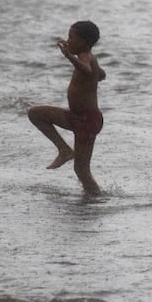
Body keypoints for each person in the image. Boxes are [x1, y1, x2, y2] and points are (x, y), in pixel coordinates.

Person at [28, 21, 106, 195]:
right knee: (36, 113)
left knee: (81, 170)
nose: (68, 41)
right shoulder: (88, 57)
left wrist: (68, 56)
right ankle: (64, 150)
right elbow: (100, 74)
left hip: (87, 121)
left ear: (84, 43)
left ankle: (95, 200)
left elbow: (86, 70)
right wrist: (97, 75)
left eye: (72, 38)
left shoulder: (85, 57)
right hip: (75, 117)